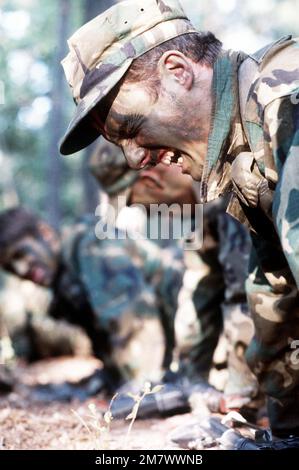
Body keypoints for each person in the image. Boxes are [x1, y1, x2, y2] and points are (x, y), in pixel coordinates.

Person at [59, 0, 299, 442]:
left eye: (129, 129)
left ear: (177, 70)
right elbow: (273, 297)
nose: (135, 159)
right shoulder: (242, 160)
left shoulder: (285, 108)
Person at [90, 140, 259, 419]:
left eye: (134, 202)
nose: (143, 211)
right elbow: (198, 289)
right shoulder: (201, 212)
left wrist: (242, 392)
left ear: (151, 179)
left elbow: (247, 292)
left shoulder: (226, 185)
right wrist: (191, 377)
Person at [0, 206, 183, 393]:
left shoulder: (89, 245)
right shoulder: (65, 279)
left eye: (21, 254)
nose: (21, 270)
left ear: (45, 234)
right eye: (10, 267)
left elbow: (136, 320)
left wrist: (142, 388)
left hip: (194, 321)